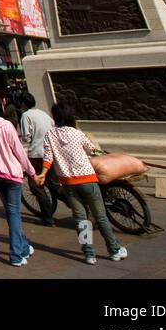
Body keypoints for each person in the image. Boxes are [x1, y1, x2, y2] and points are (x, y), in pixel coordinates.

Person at [39, 102, 126, 265]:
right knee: (100, 217)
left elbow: (48, 156)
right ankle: (114, 249)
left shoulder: (50, 134)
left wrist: (43, 173)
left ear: (55, 117)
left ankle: (89, 254)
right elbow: (91, 149)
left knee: (80, 219)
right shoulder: (76, 132)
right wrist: (100, 152)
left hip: (68, 183)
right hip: (87, 179)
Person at [0, 91, 39, 267]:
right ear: (0, 106)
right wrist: (32, 172)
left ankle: (24, 247)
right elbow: (19, 151)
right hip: (11, 174)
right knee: (13, 215)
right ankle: (16, 255)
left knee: (11, 213)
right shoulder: (7, 126)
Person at [18, 91, 56, 225]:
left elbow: (26, 137)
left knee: (36, 186)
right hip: (50, 153)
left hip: (36, 154)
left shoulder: (26, 116)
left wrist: (22, 157)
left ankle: (47, 217)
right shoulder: (44, 114)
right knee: (53, 183)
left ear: (22, 103)